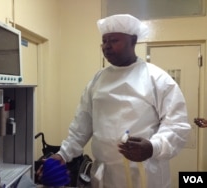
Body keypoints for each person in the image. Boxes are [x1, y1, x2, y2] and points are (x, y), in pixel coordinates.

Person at [47, 14, 191, 188]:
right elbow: (82, 124)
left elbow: (177, 126)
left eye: (114, 40)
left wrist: (153, 147)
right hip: (104, 175)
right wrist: (63, 154)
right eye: (104, 41)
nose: (106, 47)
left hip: (145, 174)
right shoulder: (98, 80)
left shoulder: (157, 79)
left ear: (133, 41)